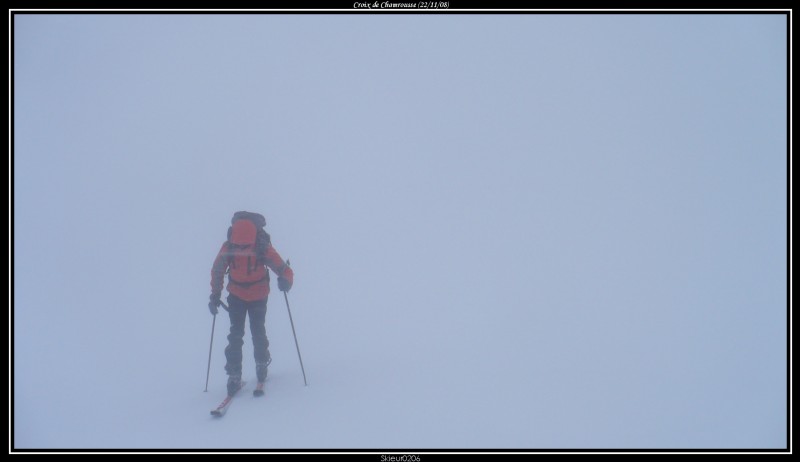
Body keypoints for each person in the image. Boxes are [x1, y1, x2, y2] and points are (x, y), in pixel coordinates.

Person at [208, 212, 294, 396]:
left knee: (236, 334)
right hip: (257, 294)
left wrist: (215, 295)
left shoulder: (231, 245)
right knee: (257, 330)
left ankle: (234, 376)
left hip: (238, 294)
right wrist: (286, 280)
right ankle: (261, 365)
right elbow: (282, 268)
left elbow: (217, 270)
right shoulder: (261, 245)